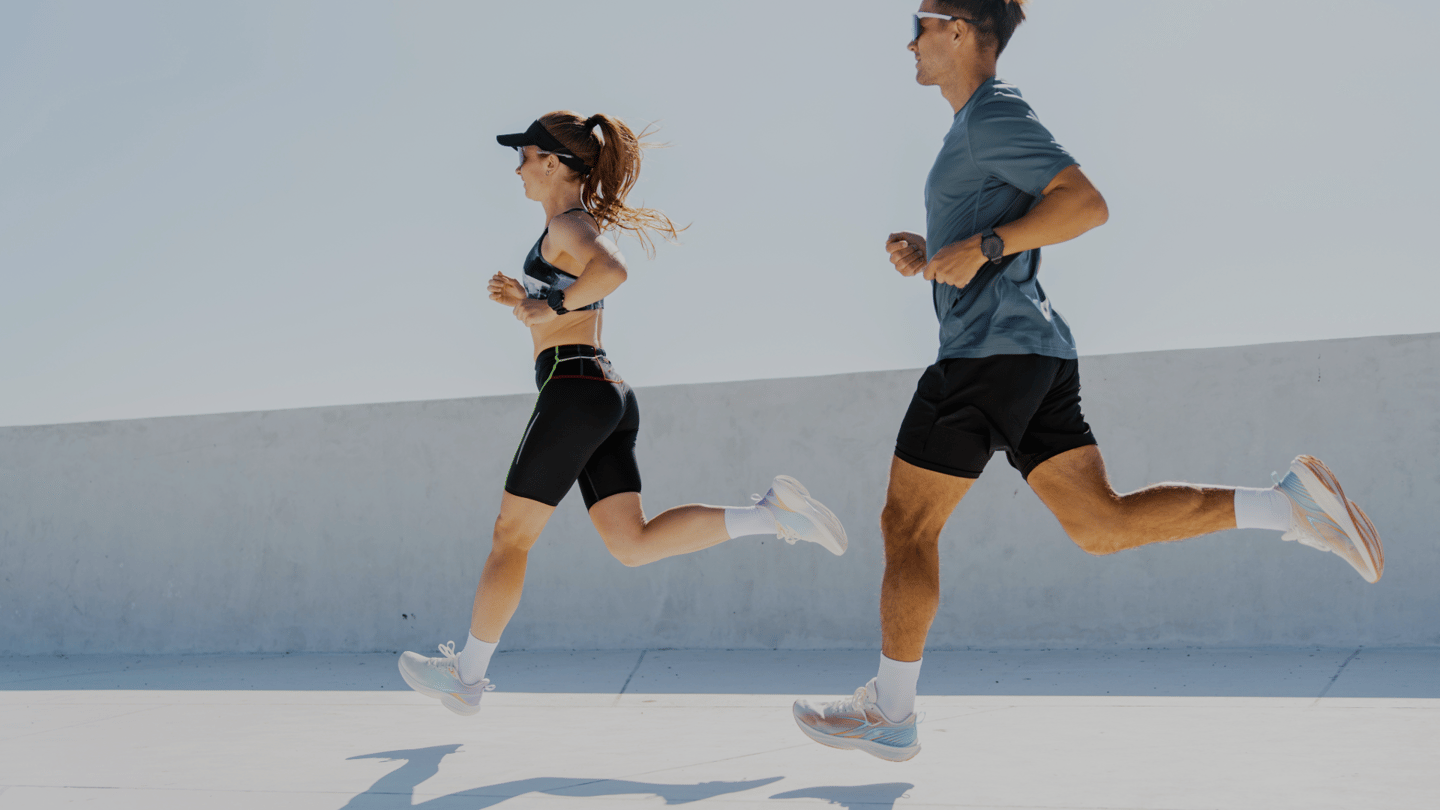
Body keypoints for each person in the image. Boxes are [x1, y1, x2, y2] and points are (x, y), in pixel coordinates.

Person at [792, 0, 1384, 762]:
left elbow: (1086, 205)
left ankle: (892, 712)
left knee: (908, 525)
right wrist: (936, 248)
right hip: (1031, 352)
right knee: (1101, 524)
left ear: (960, 31)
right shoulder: (973, 126)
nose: (909, 42)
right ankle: (1286, 505)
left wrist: (985, 244)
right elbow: (997, 231)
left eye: (920, 24)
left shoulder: (992, 114)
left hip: (987, 357)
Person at [398, 111, 848, 715]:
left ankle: (467, 677)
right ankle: (772, 518)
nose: (518, 168)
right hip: (604, 387)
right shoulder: (570, 226)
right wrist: (531, 299)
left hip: (575, 386)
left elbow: (612, 270)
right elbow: (583, 290)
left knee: (511, 536)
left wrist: (548, 302)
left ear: (553, 163)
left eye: (526, 156)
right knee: (631, 544)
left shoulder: (569, 223)